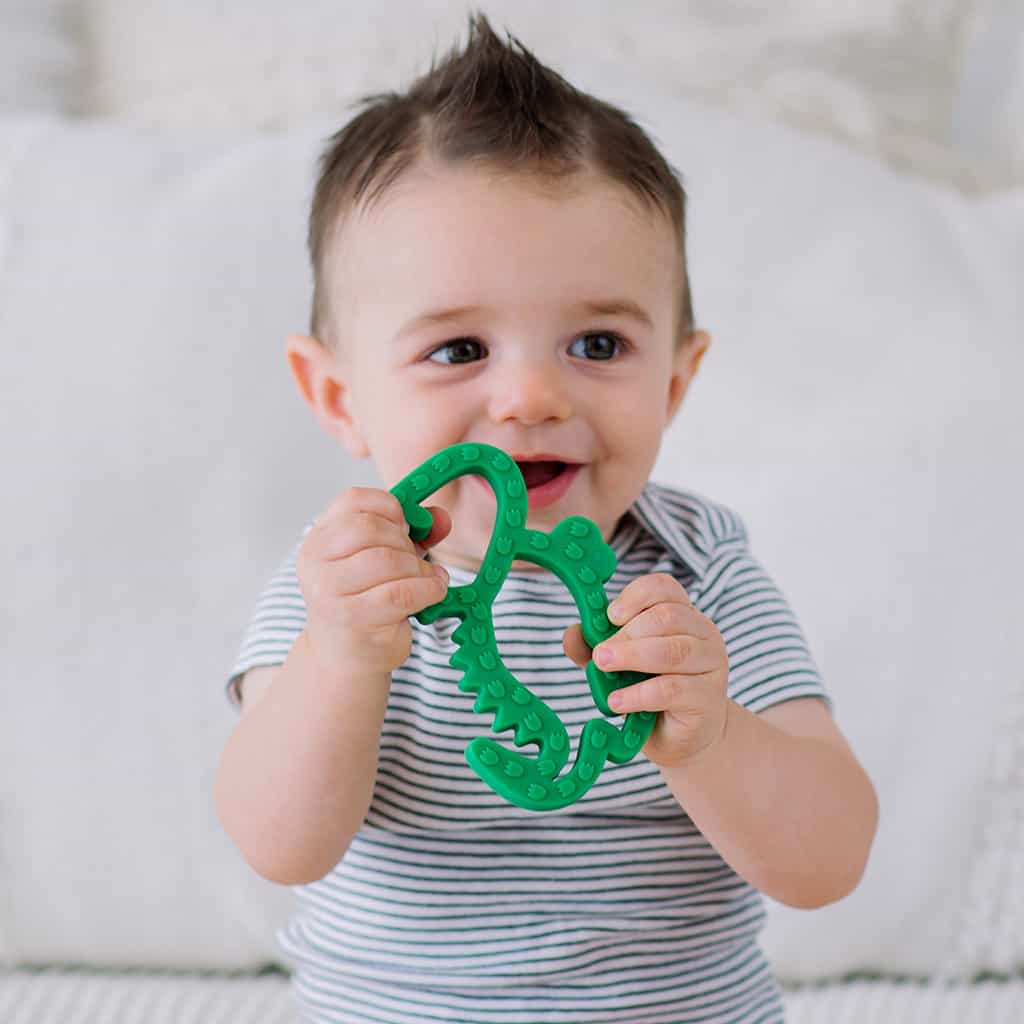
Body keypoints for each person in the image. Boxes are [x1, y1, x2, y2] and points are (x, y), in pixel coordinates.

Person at [215, 12, 878, 1023]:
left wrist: (710, 739)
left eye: (599, 345)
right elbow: (278, 841)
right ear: (338, 394)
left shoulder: (701, 577)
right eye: (459, 349)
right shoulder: (339, 586)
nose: (529, 397)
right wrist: (344, 661)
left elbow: (828, 859)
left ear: (675, 378)